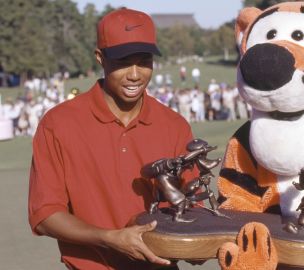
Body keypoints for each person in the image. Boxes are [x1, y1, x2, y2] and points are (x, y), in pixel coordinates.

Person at [28, 8, 197, 270]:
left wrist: (197, 242)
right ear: (100, 57)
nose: (134, 74)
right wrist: (109, 239)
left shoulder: (174, 125)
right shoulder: (58, 124)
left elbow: (191, 203)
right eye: (122, 61)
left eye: (144, 61)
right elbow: (45, 214)